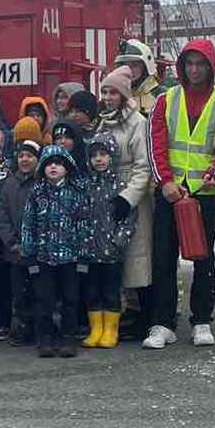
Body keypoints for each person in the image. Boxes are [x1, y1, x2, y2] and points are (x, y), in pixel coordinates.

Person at [142, 39, 215, 350]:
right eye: (189, 64)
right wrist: (165, 182)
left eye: (200, 64)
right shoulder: (165, 100)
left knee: (204, 258)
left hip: (205, 195)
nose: (194, 70)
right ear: (182, 67)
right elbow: (156, 146)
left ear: (210, 67)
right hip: (169, 193)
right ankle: (163, 322)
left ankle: (202, 320)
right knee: (164, 258)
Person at [94, 68, 153, 340]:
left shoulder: (137, 123)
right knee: (114, 256)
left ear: (124, 94)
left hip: (131, 196)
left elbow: (143, 167)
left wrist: (127, 198)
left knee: (137, 258)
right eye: (104, 91)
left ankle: (146, 315)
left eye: (113, 92)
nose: (107, 97)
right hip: (107, 193)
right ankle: (128, 312)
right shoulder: (102, 122)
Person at [22, 144, 89, 358]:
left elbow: (84, 224)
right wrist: (29, 253)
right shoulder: (37, 193)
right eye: (49, 163)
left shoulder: (76, 193)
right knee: (44, 299)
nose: (53, 167)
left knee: (71, 299)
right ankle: (46, 338)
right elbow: (28, 224)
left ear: (67, 167)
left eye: (58, 163)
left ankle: (68, 337)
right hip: (43, 258)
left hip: (71, 258)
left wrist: (83, 253)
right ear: (42, 168)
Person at [81, 132, 136, 349]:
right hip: (90, 252)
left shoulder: (121, 187)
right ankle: (96, 328)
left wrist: (118, 241)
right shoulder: (86, 187)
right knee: (92, 290)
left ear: (112, 156)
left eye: (103, 154)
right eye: (94, 155)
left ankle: (111, 329)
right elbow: (79, 216)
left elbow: (130, 218)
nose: (99, 159)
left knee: (112, 291)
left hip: (113, 252)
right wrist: (83, 241)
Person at [0, 139, 41, 346]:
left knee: (38, 290)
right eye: (21, 155)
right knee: (18, 291)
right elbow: (2, 215)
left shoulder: (41, 182)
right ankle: (22, 327)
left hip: (38, 251)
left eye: (29, 156)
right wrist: (11, 242)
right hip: (14, 251)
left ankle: (39, 327)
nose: (25, 160)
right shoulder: (9, 184)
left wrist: (35, 243)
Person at [114, 38, 163, 117]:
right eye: (125, 65)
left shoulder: (161, 95)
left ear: (146, 67)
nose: (129, 70)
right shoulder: (115, 95)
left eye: (134, 65)